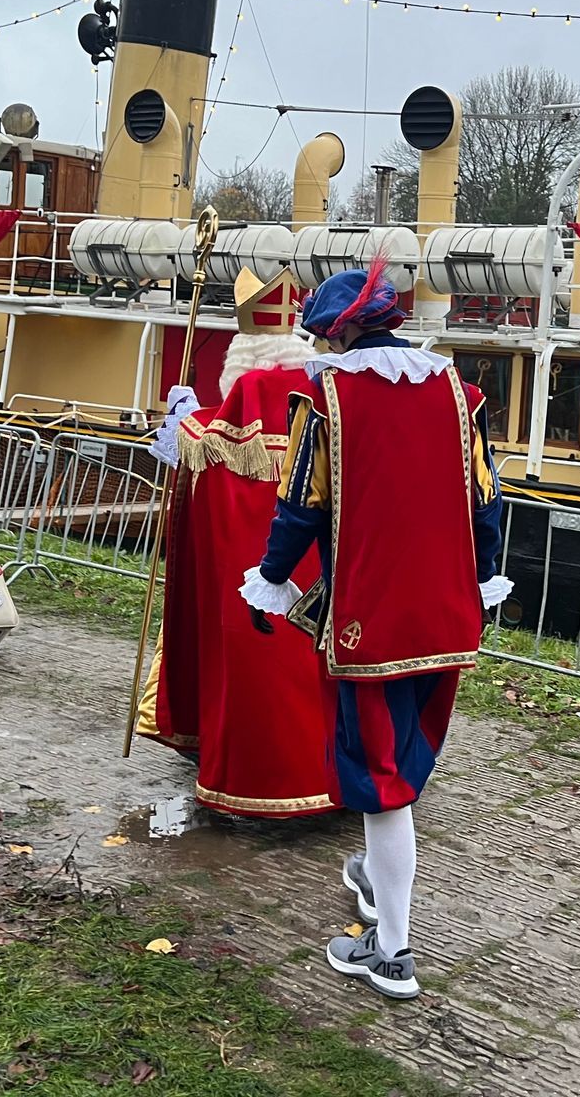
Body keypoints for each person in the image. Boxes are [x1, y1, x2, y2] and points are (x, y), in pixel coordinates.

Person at [242, 259, 510, 1000]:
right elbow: (485, 504)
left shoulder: (325, 398)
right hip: (448, 613)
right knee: (402, 769)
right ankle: (372, 876)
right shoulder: (463, 393)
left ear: (347, 330)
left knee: (384, 786)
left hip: (369, 621)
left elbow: (299, 506)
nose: (323, 350)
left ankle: (391, 950)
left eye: (326, 337)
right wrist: (483, 579)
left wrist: (268, 580)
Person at [140, 267, 334, 818]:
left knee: (254, 670)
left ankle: (257, 785)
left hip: (256, 564)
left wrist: (184, 419)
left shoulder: (251, 388)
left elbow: (220, 456)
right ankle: (330, 780)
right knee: (310, 669)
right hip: (316, 563)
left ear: (242, 349)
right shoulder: (319, 387)